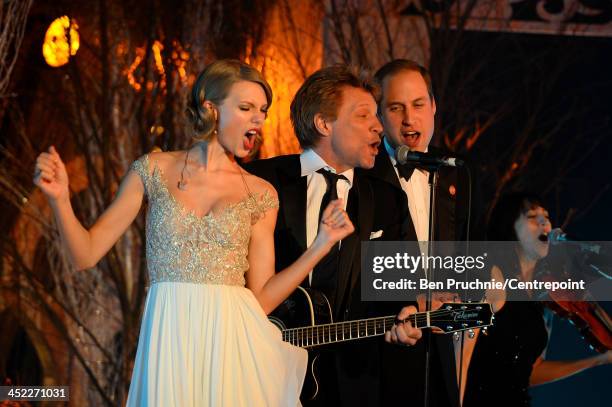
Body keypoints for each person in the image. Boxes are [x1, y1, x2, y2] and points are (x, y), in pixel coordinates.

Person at [33, 59, 356, 407]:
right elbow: (85, 254)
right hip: (169, 343)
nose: (258, 119)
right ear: (211, 109)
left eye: (262, 110)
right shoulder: (153, 170)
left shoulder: (260, 194)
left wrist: (320, 246)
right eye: (246, 107)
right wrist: (60, 200)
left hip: (234, 349)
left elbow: (261, 298)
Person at [246, 65, 422, 406]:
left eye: (377, 115)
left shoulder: (386, 200)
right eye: (363, 115)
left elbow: (402, 287)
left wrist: (408, 313)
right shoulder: (259, 181)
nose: (378, 126)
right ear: (324, 124)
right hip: (265, 374)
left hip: (354, 383)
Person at [371, 59, 483, 407]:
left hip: (439, 352)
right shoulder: (363, 176)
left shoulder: (454, 174)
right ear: (378, 114)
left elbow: (469, 258)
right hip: (380, 350)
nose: (409, 118)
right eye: (396, 107)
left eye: (418, 105)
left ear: (433, 106)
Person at [458, 193, 612, 407]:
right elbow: (460, 356)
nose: (544, 221)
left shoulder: (542, 296)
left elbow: (531, 371)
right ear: (509, 228)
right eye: (532, 216)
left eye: (546, 216)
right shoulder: (492, 276)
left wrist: (598, 360)